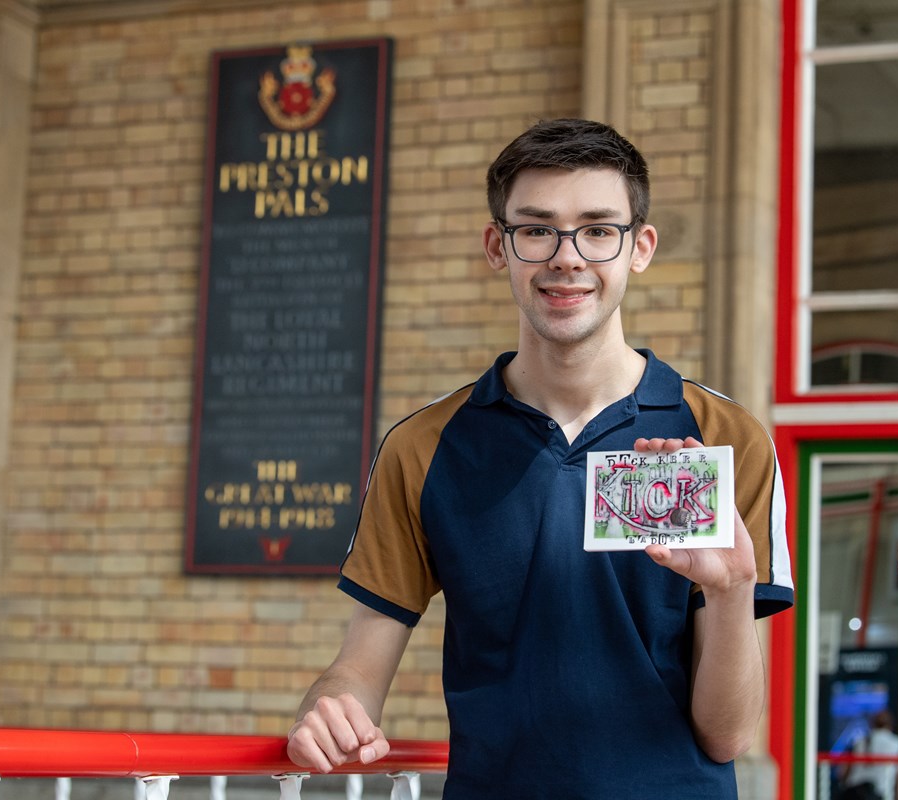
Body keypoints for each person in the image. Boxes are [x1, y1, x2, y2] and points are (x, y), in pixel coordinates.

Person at [285, 118, 794, 797]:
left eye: (597, 229)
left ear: (639, 247)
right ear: (499, 246)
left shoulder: (722, 440)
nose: (567, 256)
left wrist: (730, 592)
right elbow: (356, 673)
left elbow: (728, 737)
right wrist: (326, 707)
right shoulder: (424, 447)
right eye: (537, 229)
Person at [837, 710, 898, 800]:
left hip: (854, 792)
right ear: (891, 725)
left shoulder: (859, 741)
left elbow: (843, 772)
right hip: (880, 794)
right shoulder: (897, 744)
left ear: (872, 724)